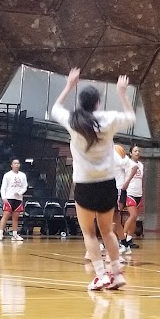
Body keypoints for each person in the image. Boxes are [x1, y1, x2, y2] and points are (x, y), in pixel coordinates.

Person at [51, 69, 136, 290]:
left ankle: (100, 275)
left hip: (85, 185)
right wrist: (122, 93)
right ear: (98, 102)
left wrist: (69, 85)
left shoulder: (73, 120)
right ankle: (116, 273)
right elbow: (131, 117)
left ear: (81, 102)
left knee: (89, 232)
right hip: (108, 184)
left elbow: (55, 109)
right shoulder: (109, 119)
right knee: (107, 230)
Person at [113, 145, 138, 254]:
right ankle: (124, 244)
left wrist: (127, 182)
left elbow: (134, 167)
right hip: (111, 190)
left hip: (118, 190)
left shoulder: (116, 153)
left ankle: (112, 245)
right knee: (115, 220)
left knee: (112, 220)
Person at [0, 158, 28, 242]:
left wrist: (20, 193)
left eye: (18, 163)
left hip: (18, 199)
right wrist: (4, 197)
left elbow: (25, 186)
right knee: (5, 216)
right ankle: (0, 233)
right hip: (9, 198)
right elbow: (3, 187)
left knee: (16, 218)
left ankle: (14, 234)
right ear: (11, 165)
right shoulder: (7, 175)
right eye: (15, 163)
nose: (17, 165)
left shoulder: (23, 175)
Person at [123, 144, 144, 249]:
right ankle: (122, 238)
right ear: (130, 153)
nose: (137, 153)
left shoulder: (141, 165)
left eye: (138, 151)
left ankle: (129, 239)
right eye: (135, 151)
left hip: (138, 194)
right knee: (133, 215)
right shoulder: (127, 164)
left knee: (134, 218)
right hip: (129, 193)